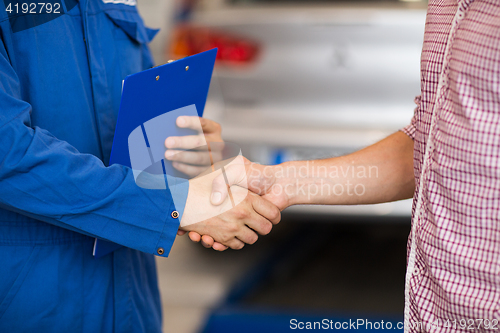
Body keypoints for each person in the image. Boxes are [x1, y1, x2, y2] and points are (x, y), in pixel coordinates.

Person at [188, 0, 500, 331]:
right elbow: (434, 143)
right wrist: (278, 181)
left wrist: (178, 203)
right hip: (436, 315)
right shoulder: (446, 6)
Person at [0, 0, 280, 331]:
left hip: (133, 293)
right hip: (35, 297)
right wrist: (177, 203)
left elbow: (135, 128)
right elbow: (7, 151)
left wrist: (189, 157)